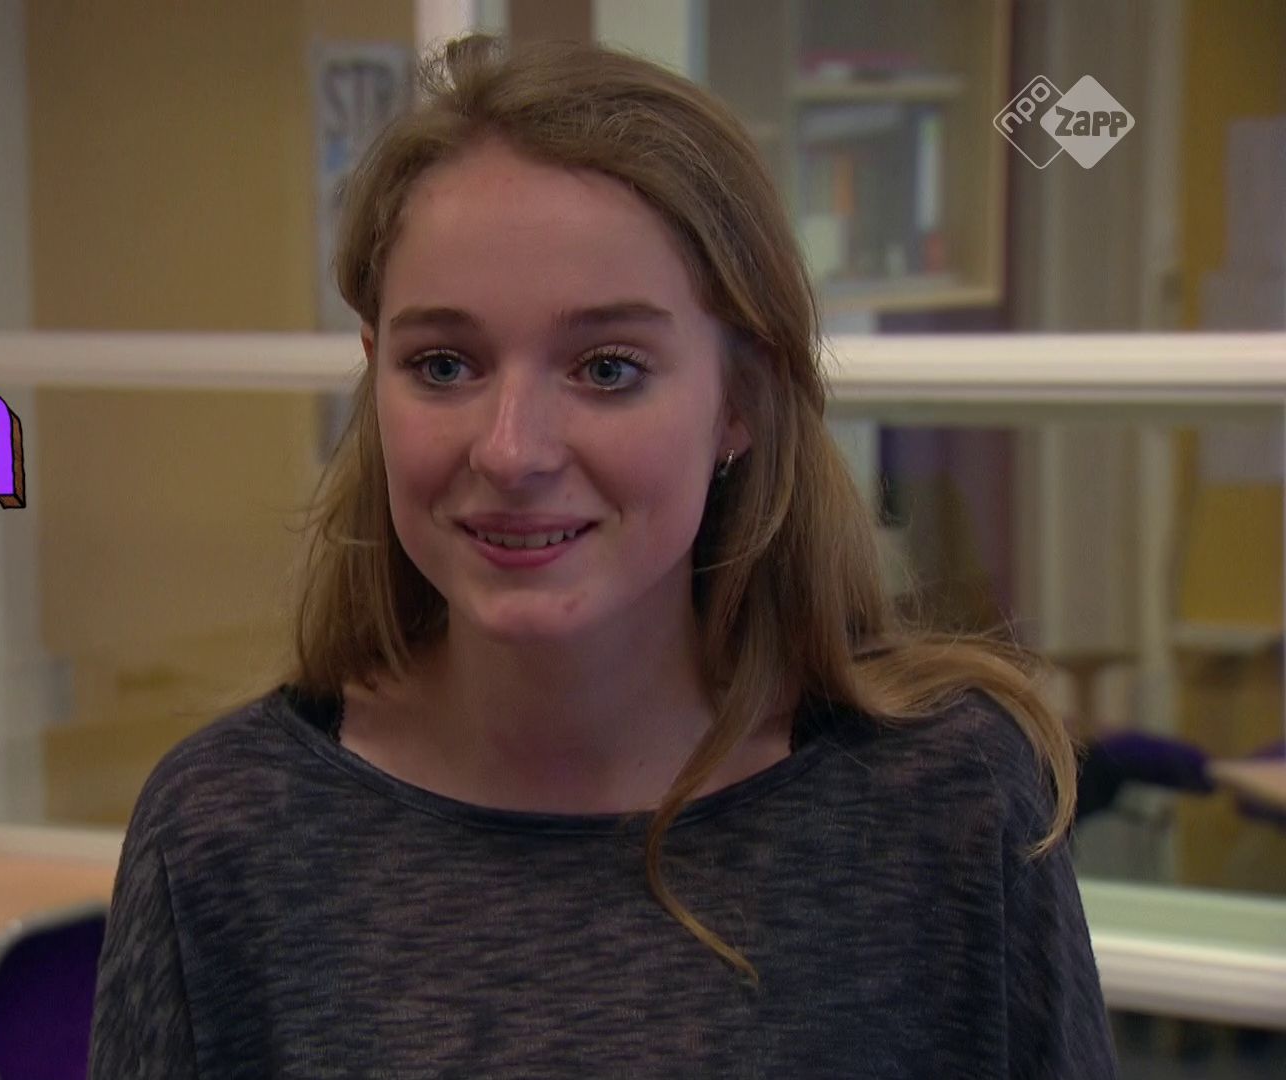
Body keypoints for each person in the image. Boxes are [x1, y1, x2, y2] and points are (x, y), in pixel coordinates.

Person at [89, 33, 1117, 1078]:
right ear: (373, 377)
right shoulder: (227, 832)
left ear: (742, 399)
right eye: (442, 365)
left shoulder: (947, 808)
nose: (511, 450)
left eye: (609, 368)